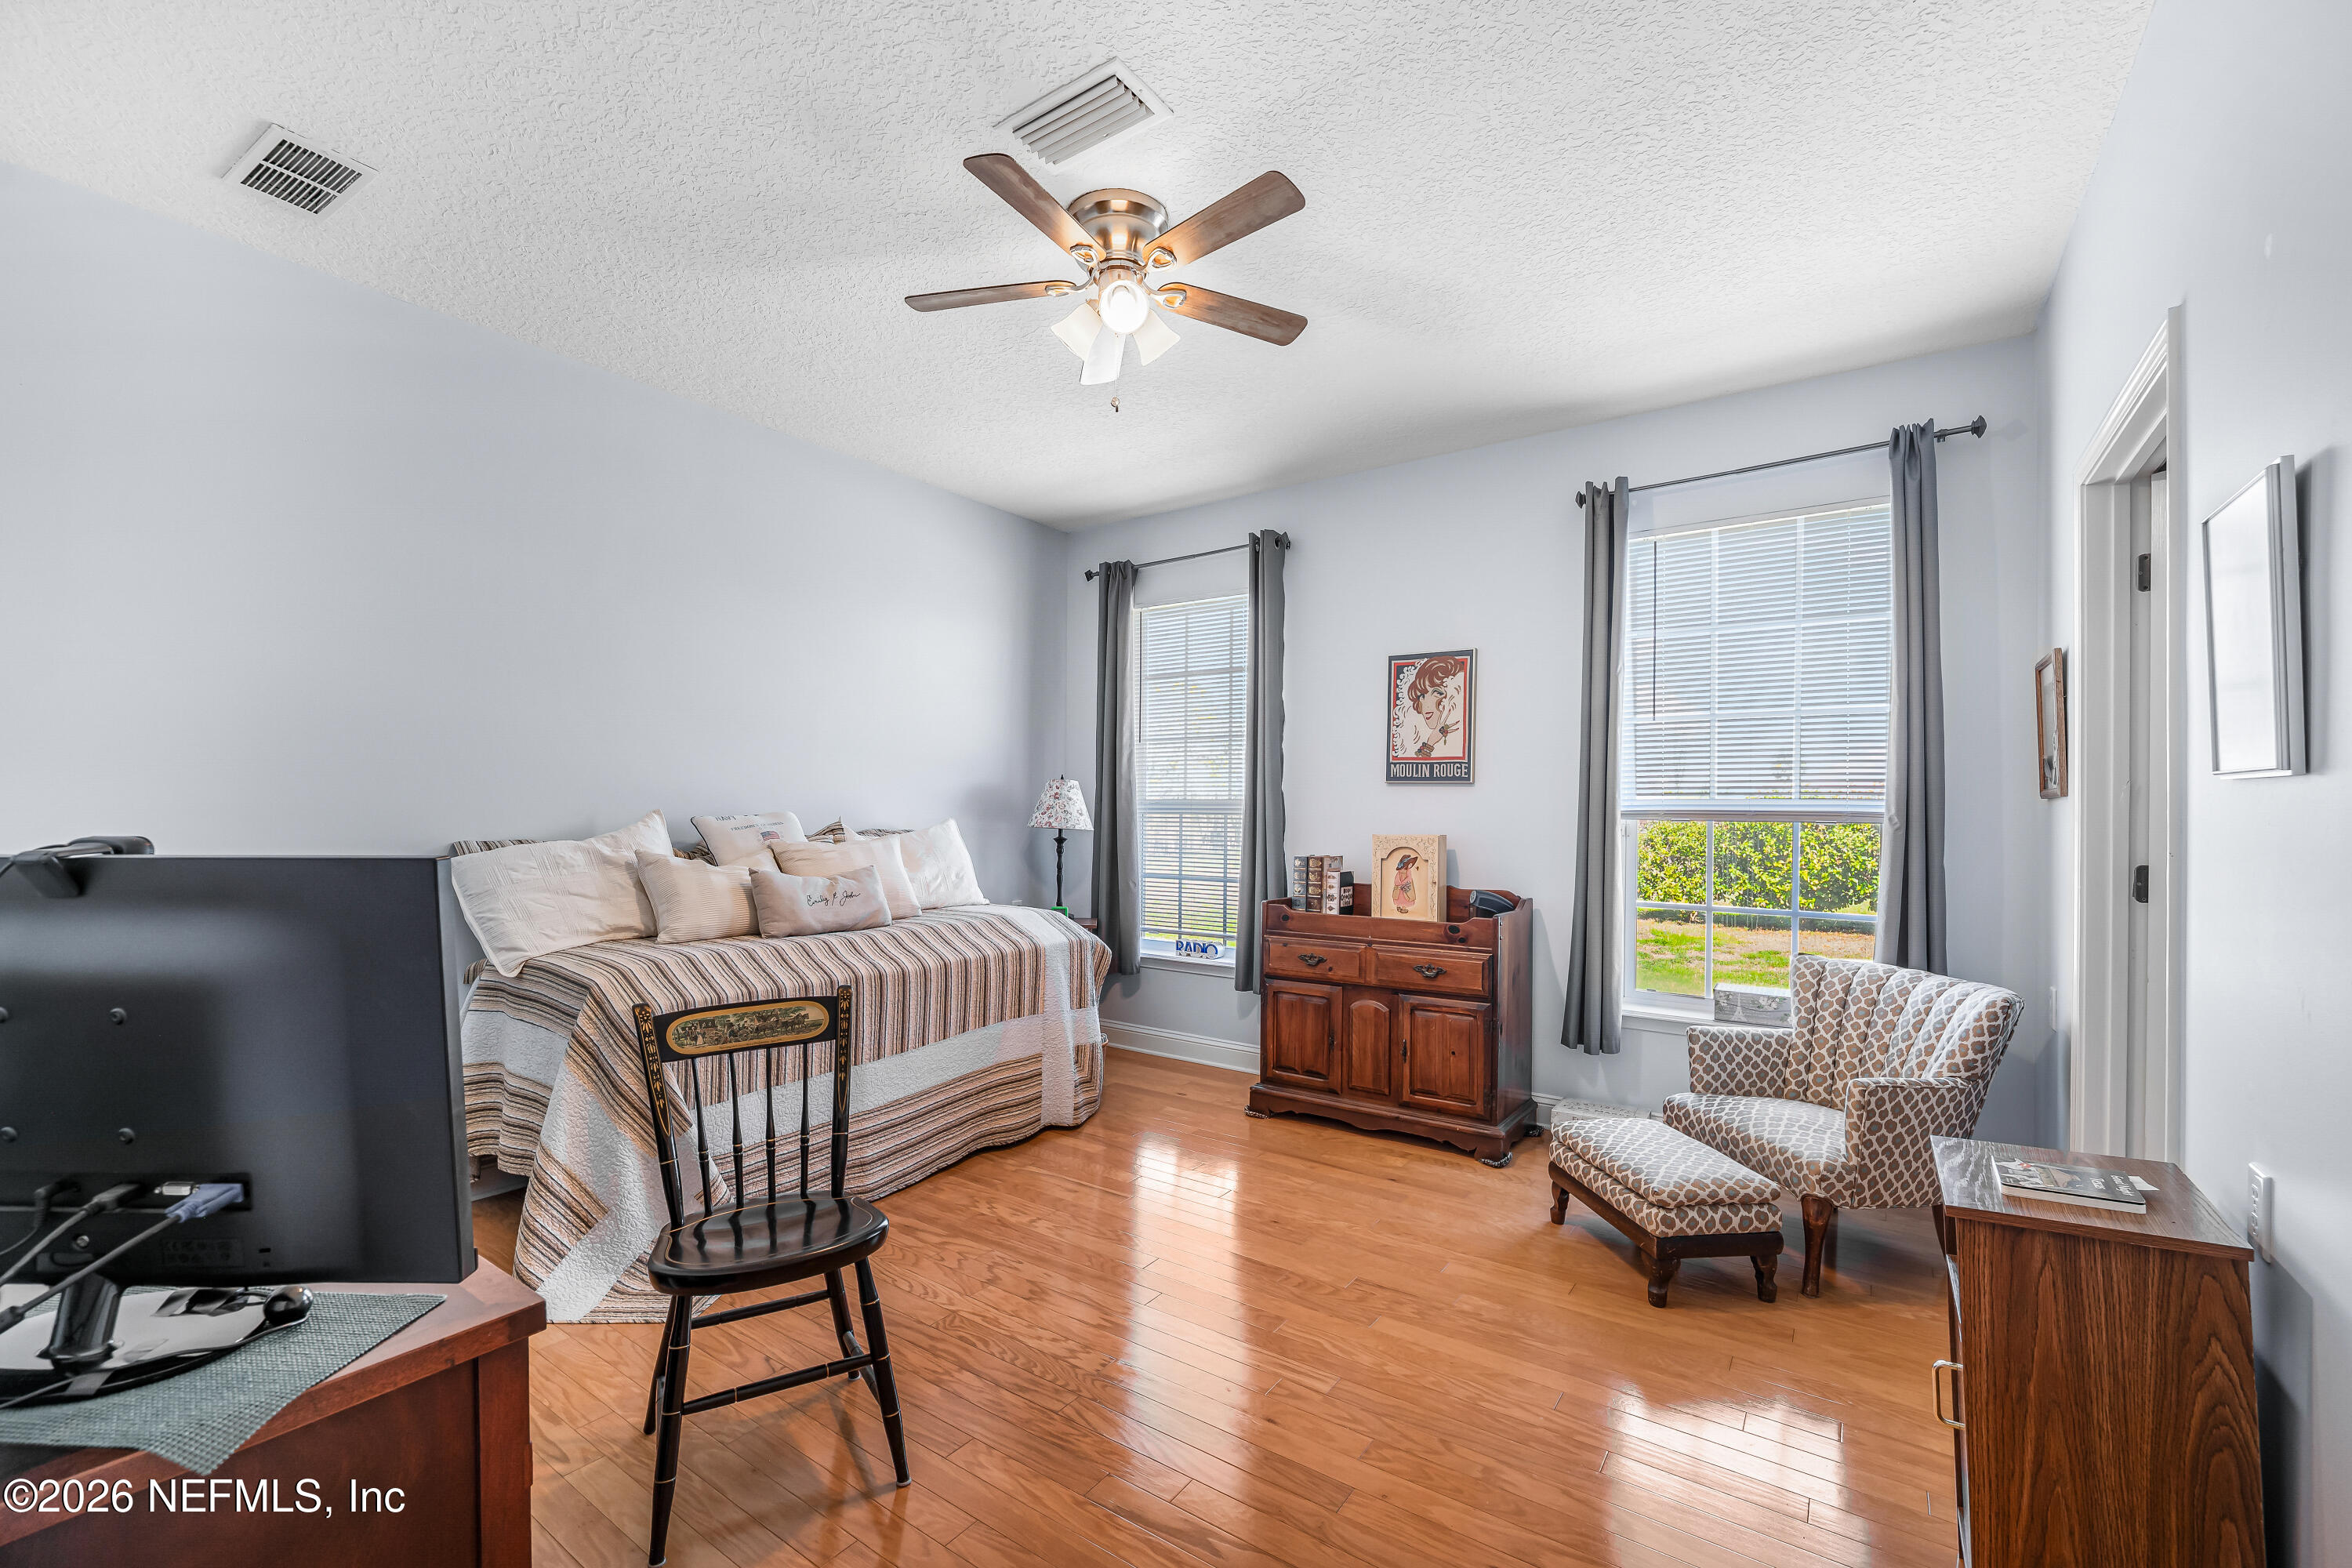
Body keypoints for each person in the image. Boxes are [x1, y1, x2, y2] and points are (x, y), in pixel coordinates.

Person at [1393, 655, 1465, 760]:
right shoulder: (1411, 737)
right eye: (1422, 695)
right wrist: (1431, 742)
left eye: (1437, 693)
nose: (1425, 704)